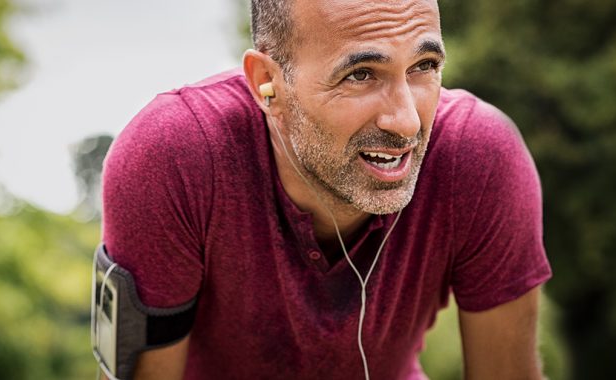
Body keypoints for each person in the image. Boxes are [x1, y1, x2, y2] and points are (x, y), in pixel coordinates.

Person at [99, 0, 552, 378]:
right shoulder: (173, 156)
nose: (407, 122)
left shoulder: (480, 157)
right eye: (360, 75)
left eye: (424, 66)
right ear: (267, 83)